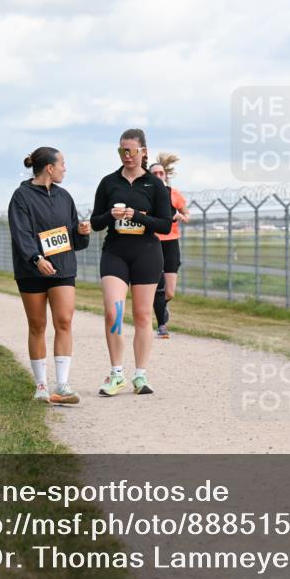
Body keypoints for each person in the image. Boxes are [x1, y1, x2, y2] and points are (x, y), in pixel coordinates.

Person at [89, 128, 172, 396]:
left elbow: (165, 225)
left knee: (143, 315)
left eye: (131, 151)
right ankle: (116, 374)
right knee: (113, 313)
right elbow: (95, 222)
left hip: (146, 253)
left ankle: (140, 375)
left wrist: (137, 215)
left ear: (143, 152)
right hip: (116, 253)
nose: (127, 155)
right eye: (122, 151)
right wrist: (110, 216)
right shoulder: (109, 182)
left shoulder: (154, 185)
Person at [8, 147, 91, 405]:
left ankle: (62, 386)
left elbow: (73, 238)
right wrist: (36, 259)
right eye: (63, 164)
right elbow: (21, 233)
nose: (65, 169)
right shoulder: (21, 196)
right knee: (37, 325)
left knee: (64, 321)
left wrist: (81, 232)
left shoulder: (64, 196)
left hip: (62, 268)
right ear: (50, 168)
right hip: (31, 270)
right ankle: (41, 386)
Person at [149, 153, 190, 339]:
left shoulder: (174, 194)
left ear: (165, 175)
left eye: (161, 173)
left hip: (171, 243)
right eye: (154, 174)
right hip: (153, 242)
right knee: (158, 287)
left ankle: (162, 307)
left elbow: (187, 215)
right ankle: (162, 326)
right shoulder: (146, 195)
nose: (158, 176)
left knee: (169, 292)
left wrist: (182, 217)